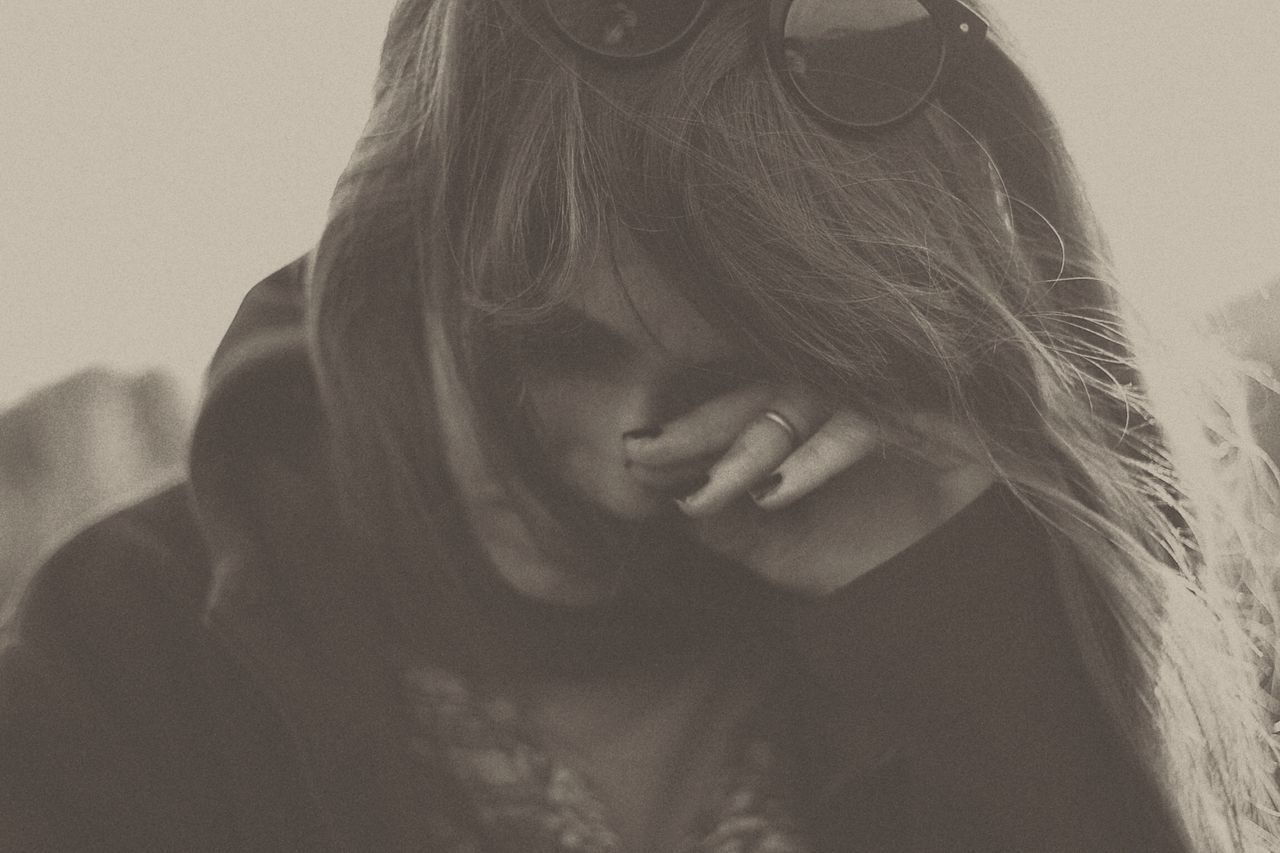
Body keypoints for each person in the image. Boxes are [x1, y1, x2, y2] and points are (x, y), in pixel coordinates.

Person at [3, 0, 1278, 849]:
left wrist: (958, 623)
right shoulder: (120, 655)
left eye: (731, 373)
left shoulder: (1008, 612)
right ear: (403, 266)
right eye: (551, 348)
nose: (625, 460)